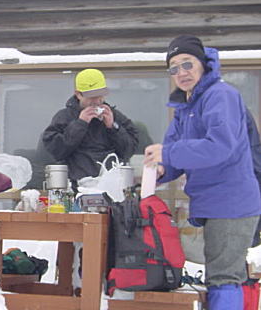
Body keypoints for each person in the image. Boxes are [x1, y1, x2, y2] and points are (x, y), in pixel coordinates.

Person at [144, 35, 261, 310]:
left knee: (223, 276)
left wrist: (168, 153)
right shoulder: (186, 106)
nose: (181, 72)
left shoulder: (221, 95)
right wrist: (161, 169)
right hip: (212, 201)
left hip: (232, 201)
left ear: (203, 64)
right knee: (224, 273)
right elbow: (175, 153)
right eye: (174, 68)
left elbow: (219, 146)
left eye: (187, 64)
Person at [42, 68, 138, 183]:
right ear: (78, 94)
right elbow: (56, 152)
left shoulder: (115, 116)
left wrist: (113, 127)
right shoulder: (64, 117)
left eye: (100, 96)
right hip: (76, 186)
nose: (97, 101)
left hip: (110, 185)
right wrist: (80, 124)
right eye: (92, 96)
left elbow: (128, 151)